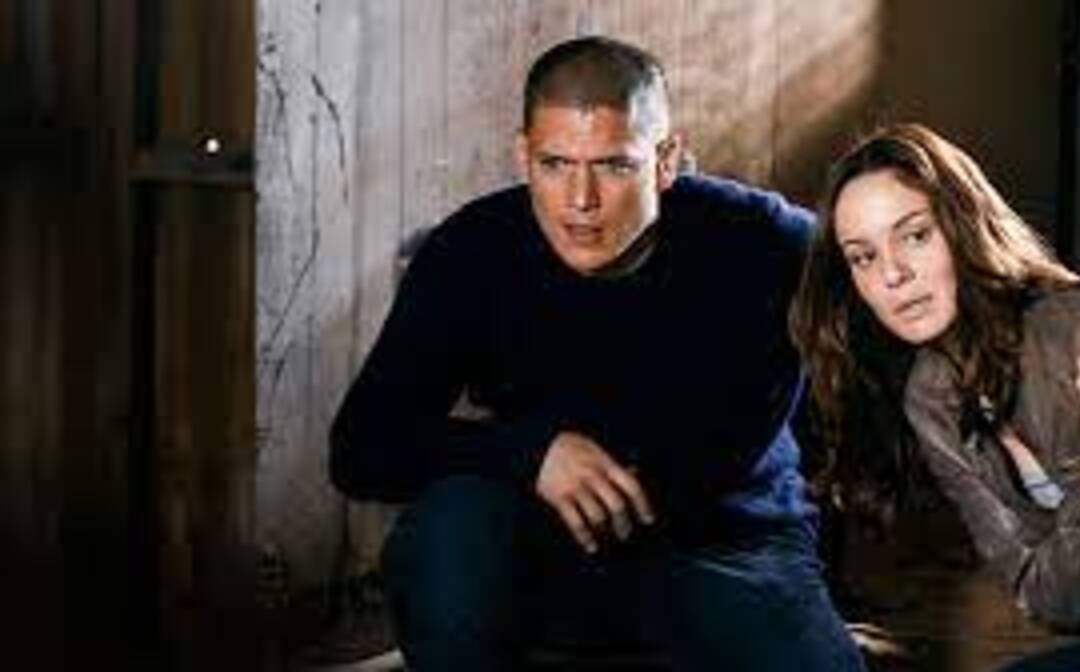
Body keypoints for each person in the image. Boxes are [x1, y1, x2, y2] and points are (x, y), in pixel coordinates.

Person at [329, 35, 863, 672]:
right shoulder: (472, 250)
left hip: (728, 548)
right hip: (551, 539)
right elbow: (360, 448)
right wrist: (532, 453)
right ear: (523, 155)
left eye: (613, 166)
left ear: (666, 160)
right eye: (555, 164)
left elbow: (889, 331)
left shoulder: (768, 243)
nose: (580, 201)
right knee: (450, 528)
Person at [791, 122, 1080, 668]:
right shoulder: (932, 399)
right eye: (863, 257)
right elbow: (1055, 602)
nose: (892, 274)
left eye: (915, 235)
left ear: (964, 225)